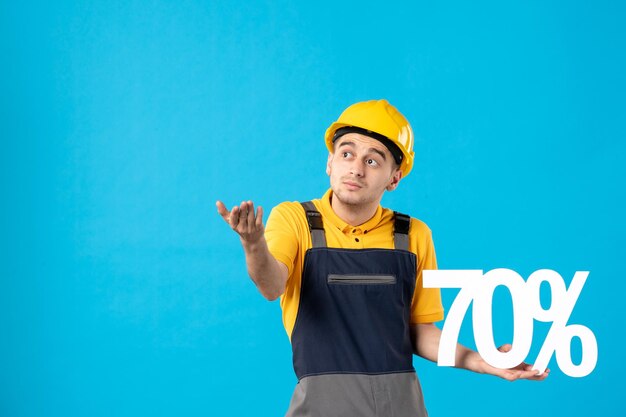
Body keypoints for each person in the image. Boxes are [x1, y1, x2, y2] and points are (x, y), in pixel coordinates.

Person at [216, 99, 548, 417]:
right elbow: (273, 286)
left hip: (402, 406)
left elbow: (420, 331)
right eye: (347, 154)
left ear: (394, 178)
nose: (356, 169)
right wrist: (254, 243)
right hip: (321, 407)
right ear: (330, 162)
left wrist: (482, 360)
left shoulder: (413, 234)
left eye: (372, 160)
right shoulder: (295, 220)